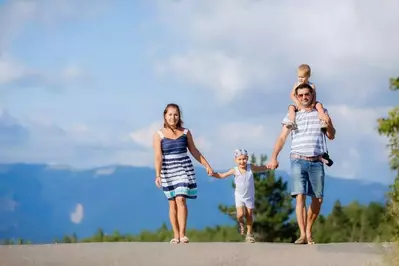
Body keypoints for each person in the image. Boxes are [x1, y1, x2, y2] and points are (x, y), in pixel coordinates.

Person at [267, 83, 336, 245]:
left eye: (307, 94)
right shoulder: (293, 115)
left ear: (312, 95)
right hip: (298, 159)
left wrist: (328, 122)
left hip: (317, 160)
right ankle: (303, 234)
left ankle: (309, 229)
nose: (304, 97)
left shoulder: (321, 113)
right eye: (301, 95)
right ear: (297, 97)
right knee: (300, 196)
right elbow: (282, 137)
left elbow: (331, 136)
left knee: (317, 199)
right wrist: (274, 157)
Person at [153, 103, 214, 244]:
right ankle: (175, 235)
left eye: (176, 115)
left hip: (183, 169)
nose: (173, 117)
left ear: (179, 116)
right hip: (167, 170)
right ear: (165, 116)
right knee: (172, 203)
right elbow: (158, 156)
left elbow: (194, 151)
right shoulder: (158, 135)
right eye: (170, 115)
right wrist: (157, 175)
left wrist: (207, 165)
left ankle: (182, 234)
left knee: (181, 199)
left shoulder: (185, 132)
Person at [211, 149, 269, 243]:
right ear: (235, 160)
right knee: (241, 214)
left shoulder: (251, 167)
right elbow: (222, 175)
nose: (242, 161)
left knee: (249, 215)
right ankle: (240, 221)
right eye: (240, 159)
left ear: (247, 158)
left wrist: (269, 167)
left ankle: (249, 234)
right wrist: (213, 174)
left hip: (249, 195)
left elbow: (260, 168)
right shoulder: (235, 170)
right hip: (239, 196)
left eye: (244, 159)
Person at [286, 64, 331, 130]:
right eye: (299, 77)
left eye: (303, 77)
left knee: (319, 106)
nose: (300, 79)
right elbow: (292, 95)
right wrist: (297, 103)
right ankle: (291, 122)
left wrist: (312, 104)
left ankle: (323, 121)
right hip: (299, 103)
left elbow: (314, 96)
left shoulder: (311, 85)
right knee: (291, 108)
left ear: (308, 76)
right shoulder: (296, 85)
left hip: (310, 102)